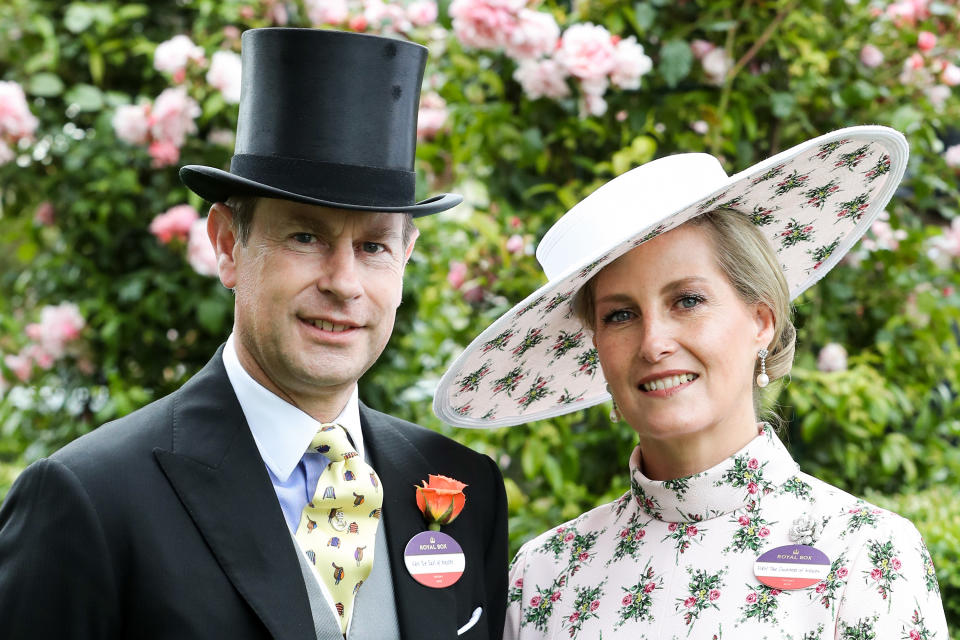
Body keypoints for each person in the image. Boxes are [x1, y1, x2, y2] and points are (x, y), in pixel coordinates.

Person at [0, 28, 507, 640]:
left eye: (372, 246)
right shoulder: (89, 499)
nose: (343, 283)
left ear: (405, 259)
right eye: (305, 237)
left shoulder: (463, 486)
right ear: (226, 245)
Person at [434, 127, 948, 638]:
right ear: (597, 350)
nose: (654, 343)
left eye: (688, 301)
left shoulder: (866, 555)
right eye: (619, 315)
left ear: (760, 320)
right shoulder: (546, 576)